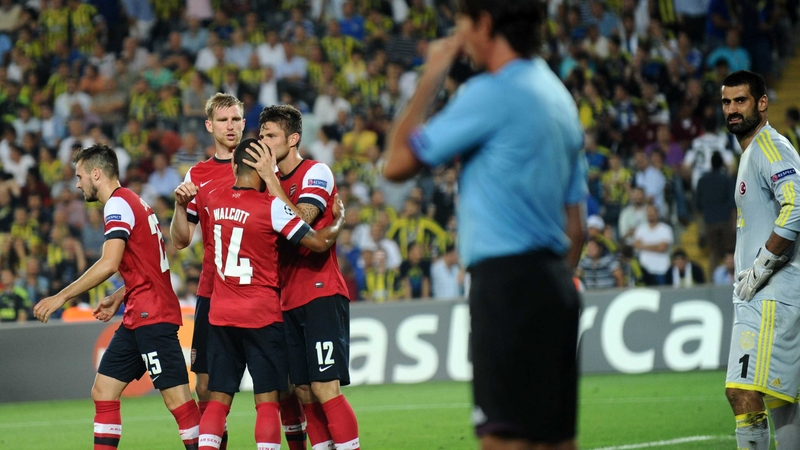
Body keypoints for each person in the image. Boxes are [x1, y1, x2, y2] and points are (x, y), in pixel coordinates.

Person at [381, 1, 587, 448]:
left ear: (485, 23)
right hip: (556, 284)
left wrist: (433, 71)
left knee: (503, 439)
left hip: (507, 284)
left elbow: (395, 164)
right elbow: (578, 226)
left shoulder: (490, 93)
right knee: (553, 440)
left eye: (462, 25)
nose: (458, 37)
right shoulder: (558, 96)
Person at [32, 144, 201, 450]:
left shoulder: (117, 205)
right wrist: (120, 296)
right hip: (139, 312)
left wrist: (61, 297)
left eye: (80, 175)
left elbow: (109, 263)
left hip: (153, 316)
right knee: (103, 390)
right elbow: (147, 266)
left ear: (97, 173)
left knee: (178, 399)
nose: (78, 183)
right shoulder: (135, 202)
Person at [170, 94, 307, 449]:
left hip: (260, 290)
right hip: (214, 293)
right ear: (210, 126)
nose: (230, 126)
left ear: (244, 123)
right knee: (207, 386)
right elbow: (181, 240)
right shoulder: (197, 175)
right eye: (223, 120)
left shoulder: (265, 168)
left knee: (283, 385)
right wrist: (179, 205)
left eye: (236, 119)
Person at [195, 138, 346, 450]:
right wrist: (340, 219)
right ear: (265, 169)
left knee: (217, 400)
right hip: (262, 315)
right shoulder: (272, 208)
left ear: (234, 166)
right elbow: (317, 243)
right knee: (267, 402)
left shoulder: (211, 196)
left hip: (221, 314)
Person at [251, 105, 360, 450]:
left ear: (293, 138)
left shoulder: (317, 172)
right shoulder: (264, 185)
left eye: (271, 136)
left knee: (325, 387)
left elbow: (303, 222)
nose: (263, 142)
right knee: (302, 390)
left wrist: (270, 182)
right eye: (262, 135)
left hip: (320, 292)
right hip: (284, 300)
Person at [721, 70, 800, 450]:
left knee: (741, 391)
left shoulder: (771, 147)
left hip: (770, 294)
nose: (732, 109)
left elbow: (797, 206)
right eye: (726, 102)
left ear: (762, 103)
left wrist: (761, 267)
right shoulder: (753, 152)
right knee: (785, 402)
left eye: (741, 100)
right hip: (774, 295)